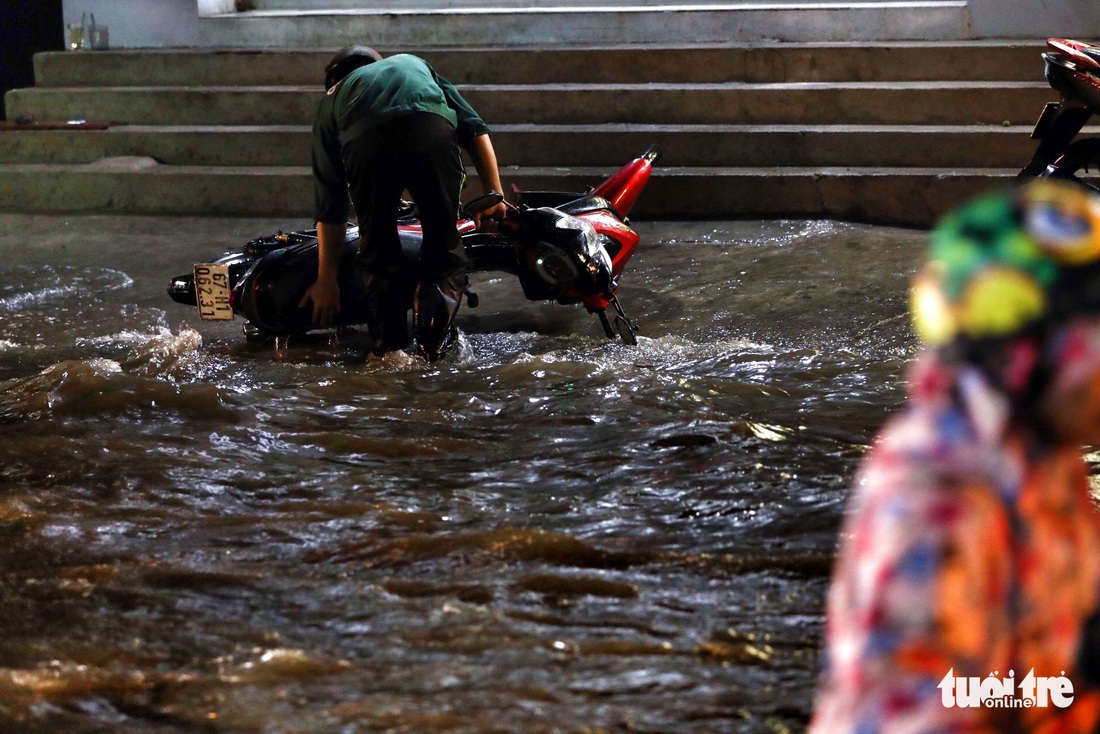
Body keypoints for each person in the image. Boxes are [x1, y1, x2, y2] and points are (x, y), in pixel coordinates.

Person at [810, 179, 1100, 732]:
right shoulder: (938, 492)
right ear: (1025, 350)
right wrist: (1067, 683)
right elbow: (922, 711)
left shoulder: (1048, 459)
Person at [298, 45, 507, 361]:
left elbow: (331, 206)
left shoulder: (331, 101)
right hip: (432, 131)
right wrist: (494, 195)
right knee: (445, 250)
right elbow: (475, 129)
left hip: (366, 145)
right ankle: (433, 352)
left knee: (378, 253)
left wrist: (326, 280)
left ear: (333, 79)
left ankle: (388, 354)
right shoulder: (413, 63)